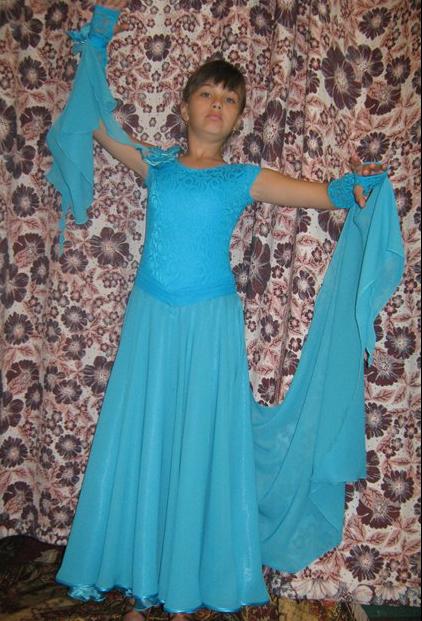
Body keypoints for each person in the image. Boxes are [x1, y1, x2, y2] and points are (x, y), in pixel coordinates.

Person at [45, 3, 403, 621]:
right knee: (148, 436)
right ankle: (139, 572)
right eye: (207, 94)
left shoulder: (243, 175)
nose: (217, 104)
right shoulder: (156, 165)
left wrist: (353, 188)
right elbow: (96, 124)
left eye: (230, 99)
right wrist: (93, 51)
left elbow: (319, 195)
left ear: (238, 118)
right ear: (184, 108)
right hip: (152, 322)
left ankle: (186, 574)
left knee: (199, 442)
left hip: (210, 324)